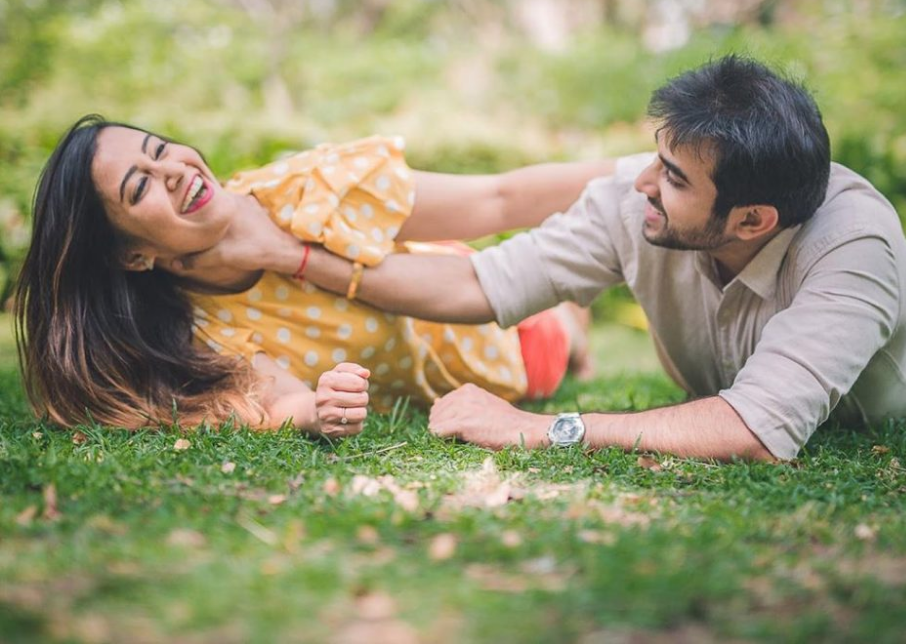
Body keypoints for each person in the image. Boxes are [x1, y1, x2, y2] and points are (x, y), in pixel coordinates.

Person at [193, 55, 906, 462]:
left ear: (754, 218)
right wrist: (297, 257)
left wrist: (537, 431)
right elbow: (475, 280)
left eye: (672, 177)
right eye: (656, 158)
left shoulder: (854, 244)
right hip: (725, 378)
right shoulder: (640, 202)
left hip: (873, 406)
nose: (640, 183)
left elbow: (757, 431)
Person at [14, 115, 612, 437]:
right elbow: (277, 403)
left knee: (558, 329)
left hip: (472, 295)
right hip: (489, 367)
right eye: (140, 185)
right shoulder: (198, 334)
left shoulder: (304, 190)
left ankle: (572, 322)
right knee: (549, 353)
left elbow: (499, 199)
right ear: (131, 256)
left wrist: (638, 169)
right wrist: (319, 409)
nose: (169, 169)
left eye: (159, 148)